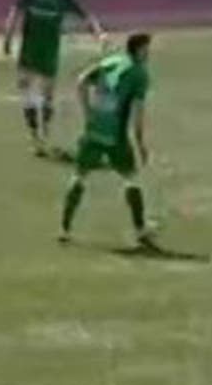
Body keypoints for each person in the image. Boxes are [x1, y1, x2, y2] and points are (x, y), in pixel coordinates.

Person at [59, 33, 157, 248]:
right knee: (131, 179)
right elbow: (137, 114)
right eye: (147, 49)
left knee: (79, 177)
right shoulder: (139, 74)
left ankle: (65, 229)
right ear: (139, 50)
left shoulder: (111, 61)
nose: (149, 53)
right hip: (115, 136)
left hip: (93, 130)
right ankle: (141, 230)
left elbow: (82, 80)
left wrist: (88, 112)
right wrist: (140, 144)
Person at [2, 0, 107, 154]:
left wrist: (99, 33)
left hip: (49, 50)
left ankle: (46, 133)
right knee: (26, 91)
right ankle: (35, 138)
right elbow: (15, 12)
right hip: (29, 49)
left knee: (46, 96)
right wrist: (7, 37)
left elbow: (86, 16)